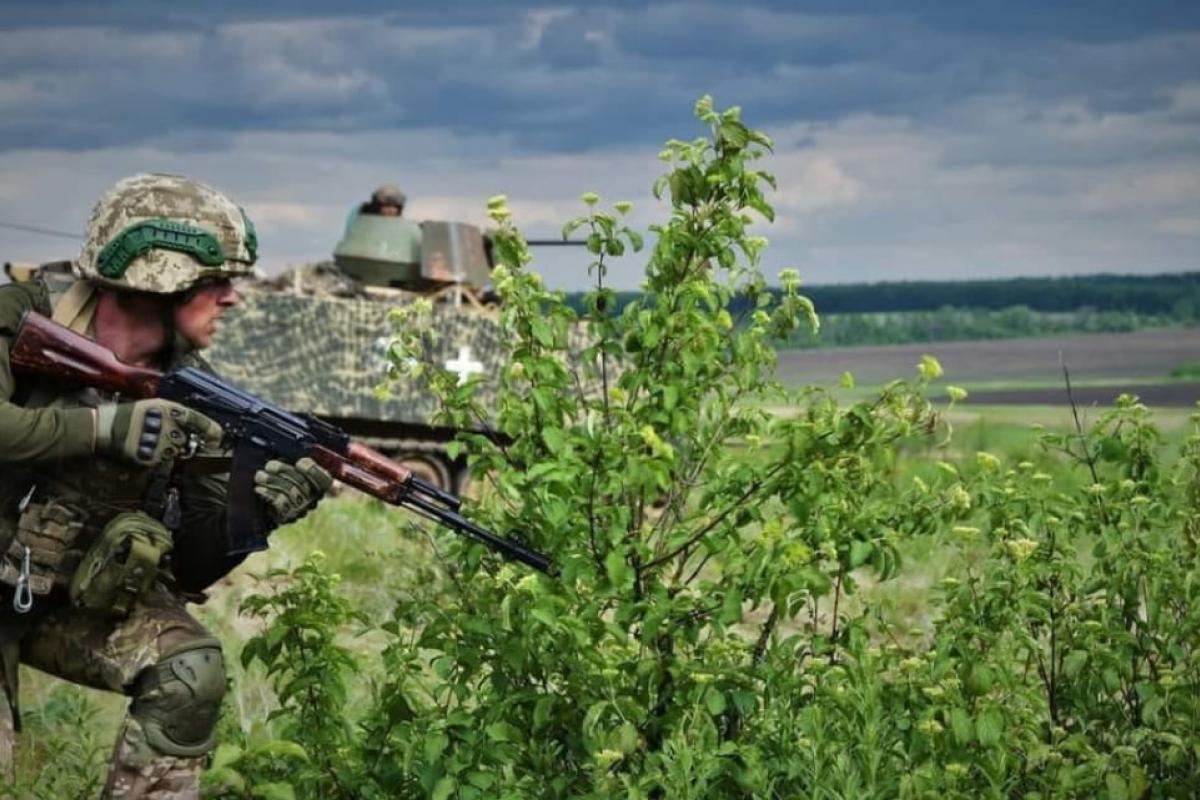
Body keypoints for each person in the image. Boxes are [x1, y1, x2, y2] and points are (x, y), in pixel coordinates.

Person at [0, 173, 332, 798]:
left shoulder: (196, 394)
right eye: (216, 284)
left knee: (190, 669)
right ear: (159, 278)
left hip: (54, 597)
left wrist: (256, 514)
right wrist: (102, 427)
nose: (232, 299)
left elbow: (193, 566)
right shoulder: (21, 315)